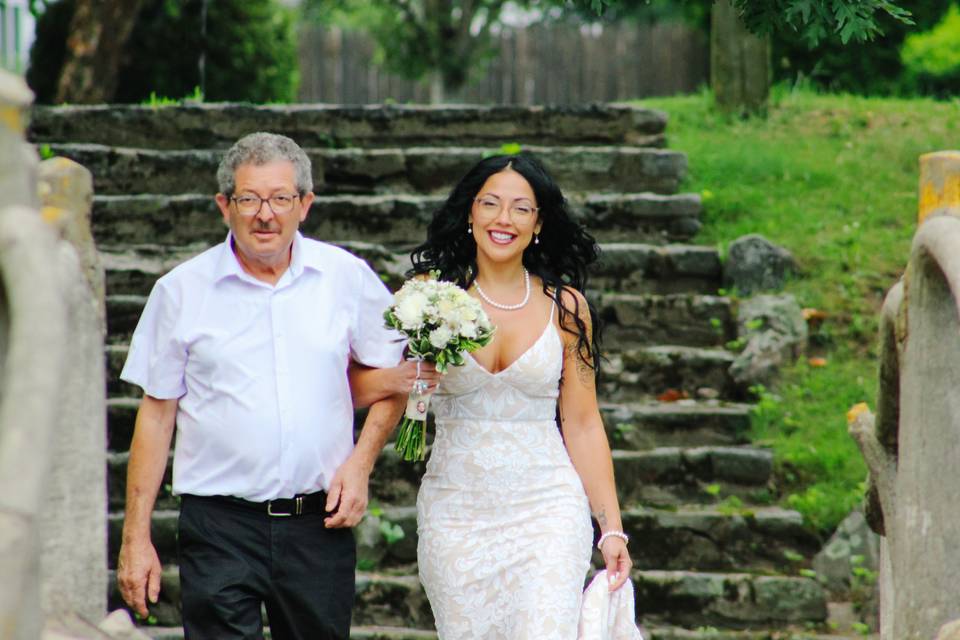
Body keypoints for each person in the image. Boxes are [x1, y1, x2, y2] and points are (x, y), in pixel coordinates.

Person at [115, 132, 423, 639]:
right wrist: (135, 537)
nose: (265, 214)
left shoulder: (345, 277)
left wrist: (361, 464)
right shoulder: (180, 291)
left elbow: (395, 377)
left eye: (281, 198)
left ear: (305, 205)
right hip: (219, 525)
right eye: (250, 199)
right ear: (224, 206)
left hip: (318, 524)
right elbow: (156, 414)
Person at [353, 153, 633, 639]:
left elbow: (584, 423)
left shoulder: (567, 309)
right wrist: (407, 376)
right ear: (470, 213)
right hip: (456, 509)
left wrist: (610, 526)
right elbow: (364, 385)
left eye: (521, 208)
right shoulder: (429, 296)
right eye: (491, 204)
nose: (504, 219)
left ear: (538, 223)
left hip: (548, 506)